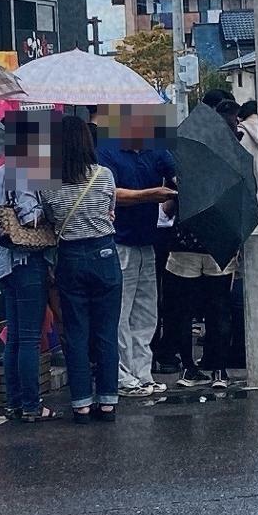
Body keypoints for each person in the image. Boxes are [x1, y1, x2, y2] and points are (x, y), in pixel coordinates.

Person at [39, 114, 122, 422]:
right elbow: (110, 211)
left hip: (69, 257)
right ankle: (108, 401)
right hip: (103, 254)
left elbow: (48, 218)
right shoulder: (104, 174)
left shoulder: (47, 178)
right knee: (106, 331)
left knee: (75, 331)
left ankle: (81, 404)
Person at [163, 96, 247, 389]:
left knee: (183, 310)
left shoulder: (187, 156)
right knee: (219, 308)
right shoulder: (234, 159)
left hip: (185, 241)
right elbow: (240, 203)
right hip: (219, 242)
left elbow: (169, 207)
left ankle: (188, 369)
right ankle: (219, 372)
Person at [96, 109, 176, 399]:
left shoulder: (157, 148)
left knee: (146, 311)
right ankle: (123, 375)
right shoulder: (105, 150)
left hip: (147, 240)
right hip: (118, 240)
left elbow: (176, 174)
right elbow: (109, 192)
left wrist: (176, 185)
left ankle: (143, 373)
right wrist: (151, 195)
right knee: (121, 312)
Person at [0, 112, 56, 422]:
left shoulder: (4, 170)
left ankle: (15, 402)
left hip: (6, 264)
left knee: (15, 336)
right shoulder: (28, 169)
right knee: (29, 337)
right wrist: (51, 209)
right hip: (27, 260)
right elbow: (30, 217)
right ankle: (31, 404)